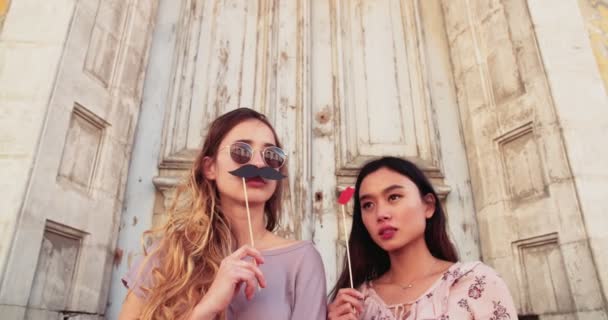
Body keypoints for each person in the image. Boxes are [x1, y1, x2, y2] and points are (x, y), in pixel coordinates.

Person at [119, 108, 327, 320]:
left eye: (271, 156)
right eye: (241, 152)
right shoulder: (169, 254)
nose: (258, 164)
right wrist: (206, 309)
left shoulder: (302, 260)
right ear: (210, 168)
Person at [328, 157, 516, 320]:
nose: (381, 213)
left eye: (393, 197)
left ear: (428, 206)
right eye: (368, 205)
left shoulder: (475, 283)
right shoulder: (357, 301)